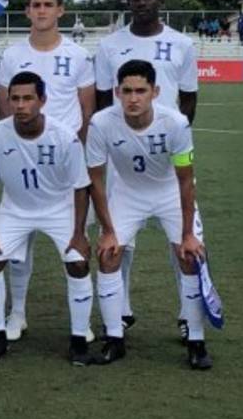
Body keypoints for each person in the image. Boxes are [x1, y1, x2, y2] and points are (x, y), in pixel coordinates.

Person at [94, 0, 198, 340]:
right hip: (123, 157)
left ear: (160, 0)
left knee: (182, 243)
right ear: (128, 2)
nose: (142, 3)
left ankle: (189, 318)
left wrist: (169, 143)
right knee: (119, 240)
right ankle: (119, 311)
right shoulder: (109, 46)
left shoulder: (182, 44)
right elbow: (105, 103)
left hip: (167, 157)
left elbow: (188, 101)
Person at [87, 59, 211, 369]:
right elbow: (96, 181)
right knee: (108, 254)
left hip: (169, 193)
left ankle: (196, 340)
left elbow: (185, 181)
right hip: (128, 193)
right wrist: (107, 230)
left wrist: (187, 235)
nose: (133, 98)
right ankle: (114, 338)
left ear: (155, 91)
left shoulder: (176, 123)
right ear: (117, 91)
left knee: (189, 257)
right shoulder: (101, 123)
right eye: (126, 91)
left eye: (140, 91)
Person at [0, 0, 95, 342]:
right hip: (21, 158)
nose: (41, 10)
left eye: (47, 4)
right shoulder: (11, 55)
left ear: (60, 10)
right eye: (35, 4)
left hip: (63, 162)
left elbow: (87, 110)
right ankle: (17, 313)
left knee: (74, 246)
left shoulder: (78, 55)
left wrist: (77, 155)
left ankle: (80, 327)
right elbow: (6, 108)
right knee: (18, 246)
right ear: (27, 11)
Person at [0, 71, 94, 364]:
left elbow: (81, 187)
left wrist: (79, 234)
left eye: (28, 98)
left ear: (42, 100)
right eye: (14, 98)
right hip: (16, 209)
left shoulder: (65, 137)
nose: (20, 105)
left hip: (59, 208)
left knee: (78, 263)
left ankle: (79, 338)